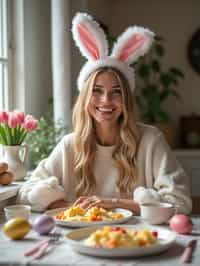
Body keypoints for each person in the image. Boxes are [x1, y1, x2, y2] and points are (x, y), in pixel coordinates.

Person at [17, 13, 192, 214]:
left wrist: (115, 204)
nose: (106, 101)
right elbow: (27, 193)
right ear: (85, 98)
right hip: (82, 238)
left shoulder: (150, 140)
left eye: (116, 92)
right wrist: (72, 209)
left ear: (126, 98)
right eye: (97, 91)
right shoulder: (69, 145)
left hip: (137, 240)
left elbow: (180, 201)